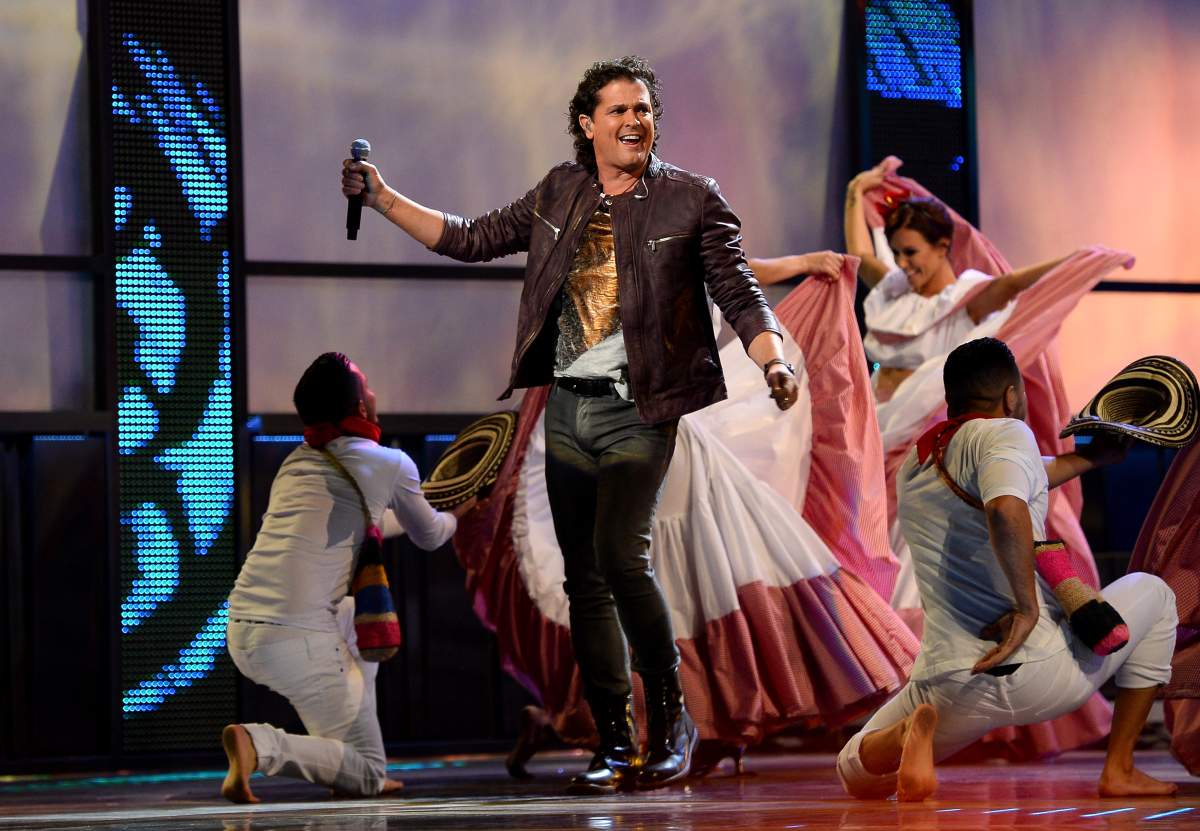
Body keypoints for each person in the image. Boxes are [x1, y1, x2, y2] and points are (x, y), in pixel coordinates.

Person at [341, 56, 799, 793]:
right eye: (619, 110)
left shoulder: (691, 198)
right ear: (588, 125)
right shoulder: (561, 190)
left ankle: (672, 720)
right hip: (568, 409)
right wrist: (383, 196)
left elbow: (738, 290)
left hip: (640, 409)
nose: (635, 121)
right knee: (585, 578)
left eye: (644, 109)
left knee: (621, 558)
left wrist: (773, 361)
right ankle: (615, 740)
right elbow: (471, 236)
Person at [460, 254, 917, 781]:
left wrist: (803, 270)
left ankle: (686, 726)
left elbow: (733, 271)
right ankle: (649, 726)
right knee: (653, 578)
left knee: (688, 575)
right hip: (632, 430)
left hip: (676, 437)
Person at [836, 337, 1178, 801]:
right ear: (1011, 395)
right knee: (1156, 593)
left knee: (855, 771)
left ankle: (903, 735)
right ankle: (1120, 768)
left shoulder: (919, 462)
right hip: (1035, 669)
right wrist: (1026, 608)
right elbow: (1004, 505)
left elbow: (1021, 473)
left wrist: (1091, 458)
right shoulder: (1006, 433)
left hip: (951, 679)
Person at [220, 353, 472, 803]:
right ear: (359, 406)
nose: (373, 392)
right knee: (371, 771)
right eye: (366, 384)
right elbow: (431, 535)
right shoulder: (389, 463)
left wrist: (432, 511)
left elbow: (364, 523)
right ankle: (259, 746)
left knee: (358, 620)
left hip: (243, 630)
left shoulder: (296, 462)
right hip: (297, 638)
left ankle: (343, 763)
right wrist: (462, 512)